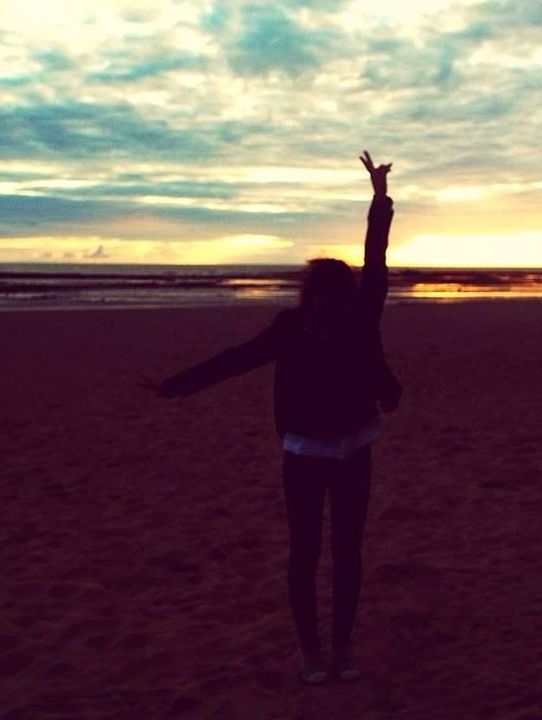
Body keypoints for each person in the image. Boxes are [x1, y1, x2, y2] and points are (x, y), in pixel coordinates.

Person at [139, 151, 402, 685]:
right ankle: (310, 652)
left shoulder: (359, 316)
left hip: (354, 447)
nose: (329, 306)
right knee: (304, 553)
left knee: (347, 552)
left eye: (337, 297)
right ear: (311, 299)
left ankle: (343, 649)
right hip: (304, 452)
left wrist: (379, 200)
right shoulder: (290, 327)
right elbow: (237, 359)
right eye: (322, 298)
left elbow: (375, 261)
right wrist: (175, 387)